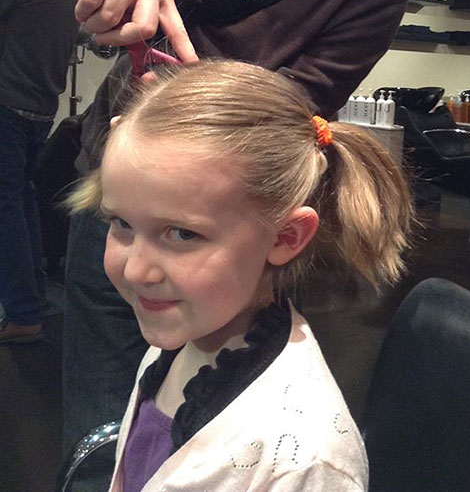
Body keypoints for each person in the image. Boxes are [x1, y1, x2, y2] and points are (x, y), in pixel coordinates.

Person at [0, 0, 438, 476]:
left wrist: (178, 81)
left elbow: (279, 130)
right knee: (108, 438)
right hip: (119, 202)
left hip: (225, 244)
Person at [67, 57, 416, 492]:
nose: (136, 269)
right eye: (120, 224)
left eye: (182, 234)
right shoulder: (183, 339)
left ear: (285, 236)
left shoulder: (303, 464)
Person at [0, 0, 78, 343]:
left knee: (5, 207)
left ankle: (23, 313)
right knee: (21, 198)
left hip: (7, 107)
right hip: (42, 107)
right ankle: (35, 296)